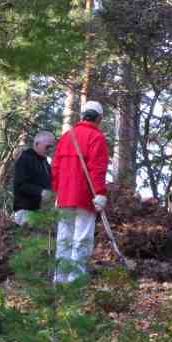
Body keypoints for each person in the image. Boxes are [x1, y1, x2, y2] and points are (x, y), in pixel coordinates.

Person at [50, 100, 110, 283]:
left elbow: (56, 169)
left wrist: (56, 192)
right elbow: (97, 169)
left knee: (63, 240)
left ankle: (59, 280)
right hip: (85, 197)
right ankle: (74, 283)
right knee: (82, 240)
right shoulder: (97, 138)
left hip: (64, 198)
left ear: (83, 116)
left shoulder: (67, 136)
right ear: (99, 118)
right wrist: (100, 193)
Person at [12, 131, 55, 226]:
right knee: (26, 239)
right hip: (25, 211)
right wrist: (41, 192)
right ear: (36, 144)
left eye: (51, 147)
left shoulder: (45, 163)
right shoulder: (25, 159)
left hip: (41, 211)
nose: (50, 150)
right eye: (47, 146)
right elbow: (21, 185)